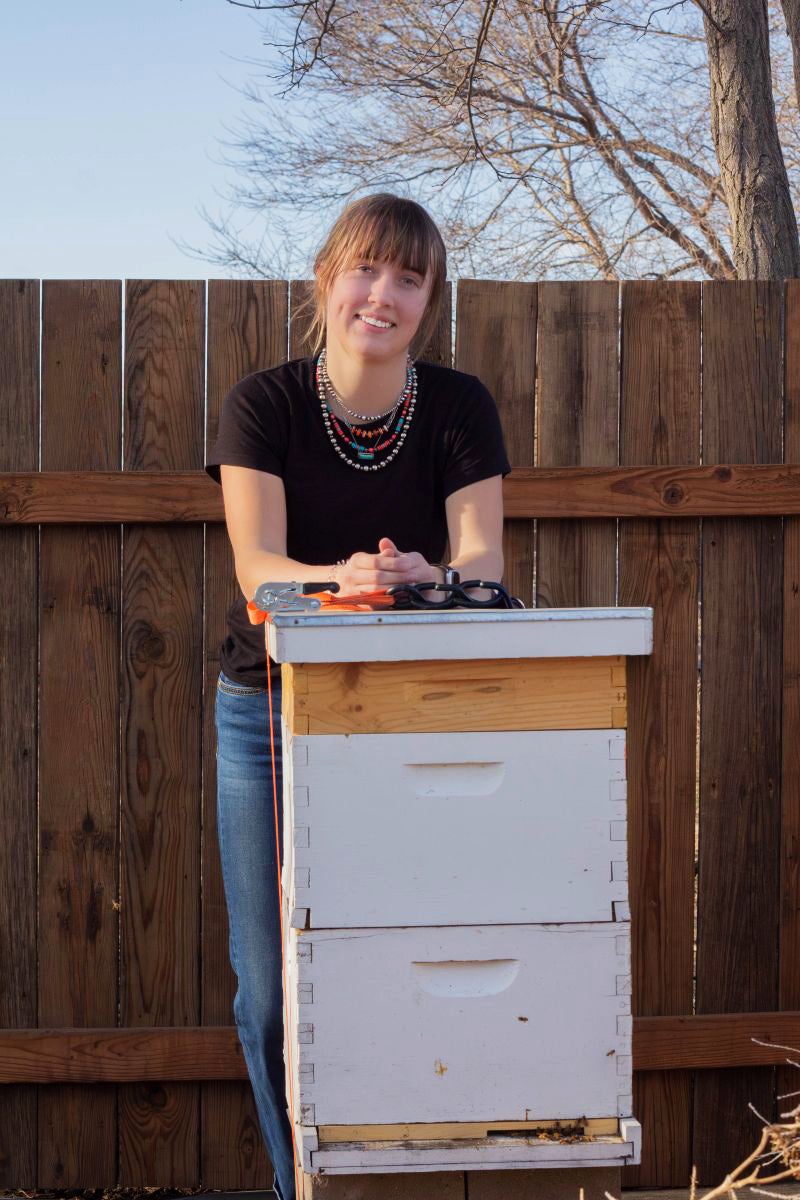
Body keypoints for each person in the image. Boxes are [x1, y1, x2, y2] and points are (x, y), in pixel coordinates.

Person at [205, 192, 511, 1200]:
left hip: (407, 714)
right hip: (269, 710)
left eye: (408, 278)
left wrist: (427, 577)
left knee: (400, 964)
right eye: (365, 269)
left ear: (429, 300)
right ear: (326, 279)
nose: (382, 295)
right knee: (269, 994)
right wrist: (342, 582)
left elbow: (484, 565)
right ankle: (301, 1188)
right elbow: (258, 571)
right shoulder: (264, 404)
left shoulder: (458, 407)